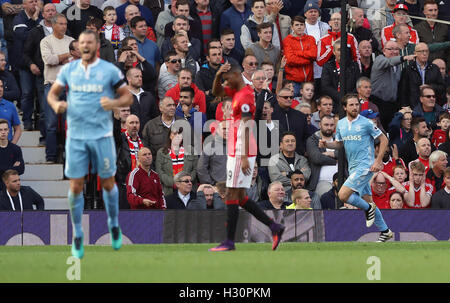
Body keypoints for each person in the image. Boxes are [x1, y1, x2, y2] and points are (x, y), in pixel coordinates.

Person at [46, 30, 133, 259]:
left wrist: (113, 102)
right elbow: (52, 95)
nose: (85, 46)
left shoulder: (109, 70)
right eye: (81, 43)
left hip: (102, 135)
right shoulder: (69, 70)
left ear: (96, 46)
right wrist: (56, 105)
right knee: (75, 186)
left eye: (89, 42)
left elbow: (128, 97)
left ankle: (113, 223)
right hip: (76, 136)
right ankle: (77, 234)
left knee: (107, 183)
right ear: (78, 47)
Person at [209, 65, 285, 252]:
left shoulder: (244, 96)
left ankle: (229, 242)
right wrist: (218, 74)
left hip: (241, 150)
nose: (226, 83)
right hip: (240, 149)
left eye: (228, 79)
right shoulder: (236, 92)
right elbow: (216, 91)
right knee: (240, 197)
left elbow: (246, 126)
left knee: (232, 195)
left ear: (236, 76)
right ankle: (274, 226)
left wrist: (242, 156)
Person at [319, 93, 393, 242]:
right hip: (353, 167)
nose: (355, 107)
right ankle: (385, 231)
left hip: (365, 166)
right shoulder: (341, 124)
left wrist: (378, 161)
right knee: (368, 200)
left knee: (342, 195)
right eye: (351, 105)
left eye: (357, 104)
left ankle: (367, 209)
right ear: (345, 107)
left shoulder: (366, 123)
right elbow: (340, 144)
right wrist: (327, 144)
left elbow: (384, 139)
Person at [40, 14, 74, 163]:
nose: (64, 26)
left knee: (70, 125)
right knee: (51, 124)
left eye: (65, 24)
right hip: (52, 85)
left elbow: (77, 61)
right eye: (61, 24)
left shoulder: (72, 41)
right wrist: (67, 55)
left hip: (69, 87)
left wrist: (60, 58)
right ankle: (51, 156)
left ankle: (69, 157)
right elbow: (49, 60)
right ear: (53, 25)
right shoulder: (46, 41)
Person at [370, 40, 416, 130]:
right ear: (384, 50)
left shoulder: (397, 65)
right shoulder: (379, 60)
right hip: (378, 103)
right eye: (390, 49)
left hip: (391, 105)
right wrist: (404, 58)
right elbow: (389, 62)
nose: (394, 52)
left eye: (396, 49)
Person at [14, 0, 43, 131]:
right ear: (24, 5)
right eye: (31, 2)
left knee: (41, 95)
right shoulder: (19, 18)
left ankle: (39, 122)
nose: (34, 4)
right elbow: (25, 36)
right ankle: (27, 121)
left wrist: (37, 18)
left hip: (40, 63)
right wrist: (37, 21)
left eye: (36, 1)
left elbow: (44, 36)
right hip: (25, 63)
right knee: (27, 93)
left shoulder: (42, 17)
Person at [399, 44, 445, 109]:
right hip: (414, 106)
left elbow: (442, 87)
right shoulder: (408, 70)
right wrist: (405, 107)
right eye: (421, 51)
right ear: (415, 53)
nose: (425, 54)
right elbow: (403, 91)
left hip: (432, 107)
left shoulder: (434, 68)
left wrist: (430, 87)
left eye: (427, 51)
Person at [155, 126, 198, 196]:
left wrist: (185, 182)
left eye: (179, 134)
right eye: (174, 134)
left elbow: (195, 169)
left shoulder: (191, 150)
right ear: (170, 136)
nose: (177, 136)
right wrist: (174, 183)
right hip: (169, 191)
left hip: (188, 189)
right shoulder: (161, 152)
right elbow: (160, 172)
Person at [321, 38, 360, 113]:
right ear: (334, 52)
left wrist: (348, 98)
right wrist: (341, 97)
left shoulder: (354, 66)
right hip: (333, 102)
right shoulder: (328, 66)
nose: (342, 52)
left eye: (343, 50)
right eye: (339, 50)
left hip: (350, 102)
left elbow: (357, 85)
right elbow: (325, 86)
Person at [282, 15, 317, 97]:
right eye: (297, 25)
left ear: (304, 26)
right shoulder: (287, 40)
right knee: (294, 104)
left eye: (301, 25)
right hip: (293, 81)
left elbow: (314, 54)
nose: (299, 27)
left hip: (309, 80)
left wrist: (298, 53)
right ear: (292, 27)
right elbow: (290, 59)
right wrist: (308, 60)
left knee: (309, 106)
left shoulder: (311, 39)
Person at [115, 114, 143, 209]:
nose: (134, 125)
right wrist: (116, 117)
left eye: (137, 123)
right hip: (124, 185)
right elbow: (114, 131)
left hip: (141, 186)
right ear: (125, 125)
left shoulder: (144, 142)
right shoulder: (120, 140)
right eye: (131, 123)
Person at [306, 114, 338, 196]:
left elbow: (347, 155)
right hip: (321, 181)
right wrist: (336, 160)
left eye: (331, 125)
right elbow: (317, 158)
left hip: (341, 180)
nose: (329, 127)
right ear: (320, 125)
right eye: (326, 125)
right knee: (328, 196)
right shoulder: (312, 140)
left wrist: (332, 153)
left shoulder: (339, 140)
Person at [415, 0, 449, 66]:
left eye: (435, 10)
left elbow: (448, 50)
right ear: (424, 12)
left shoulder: (445, 27)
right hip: (424, 67)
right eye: (430, 10)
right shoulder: (417, 28)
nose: (433, 13)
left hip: (441, 67)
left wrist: (447, 67)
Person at [197, 120, 227, 185]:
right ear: (218, 130)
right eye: (224, 129)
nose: (227, 131)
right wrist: (211, 185)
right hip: (216, 188)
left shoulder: (236, 147)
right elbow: (201, 168)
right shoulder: (209, 147)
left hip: (233, 189)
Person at [0, 119, 24, 191]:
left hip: (11, 188)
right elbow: (16, 169)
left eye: (5, 129)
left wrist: (2, 169)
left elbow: (21, 169)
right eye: (0, 130)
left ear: (9, 131)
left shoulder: (16, 149)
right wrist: (12, 168)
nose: (3, 132)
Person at [0, 79, 21, 144]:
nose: (0, 89)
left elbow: (18, 129)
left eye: (1, 86)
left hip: (7, 147)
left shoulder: (10, 106)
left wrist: (12, 146)